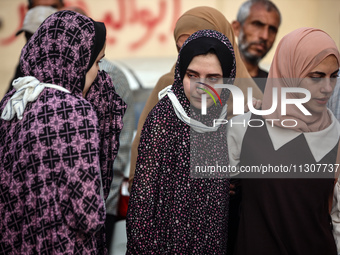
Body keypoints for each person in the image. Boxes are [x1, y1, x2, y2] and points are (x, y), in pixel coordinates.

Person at [0, 10, 126, 254]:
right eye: (96, 62)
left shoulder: (12, 103)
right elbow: (87, 214)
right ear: (76, 60)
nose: (98, 74)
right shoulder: (76, 111)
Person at [227, 27, 340, 255]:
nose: (328, 88)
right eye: (316, 76)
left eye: (334, 75)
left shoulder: (336, 134)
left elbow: (338, 220)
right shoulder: (243, 128)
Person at [128, 6, 263, 192]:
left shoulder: (251, 97)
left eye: (199, 45)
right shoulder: (167, 87)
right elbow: (145, 156)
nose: (189, 55)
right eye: (181, 48)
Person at [126, 29, 235, 254]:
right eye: (192, 75)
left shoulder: (222, 121)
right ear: (180, 74)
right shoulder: (163, 119)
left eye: (213, 78)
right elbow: (142, 206)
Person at [231, 0, 281, 92]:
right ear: (237, 28)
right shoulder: (214, 77)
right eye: (257, 24)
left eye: (272, 29)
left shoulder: (275, 87)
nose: (265, 36)